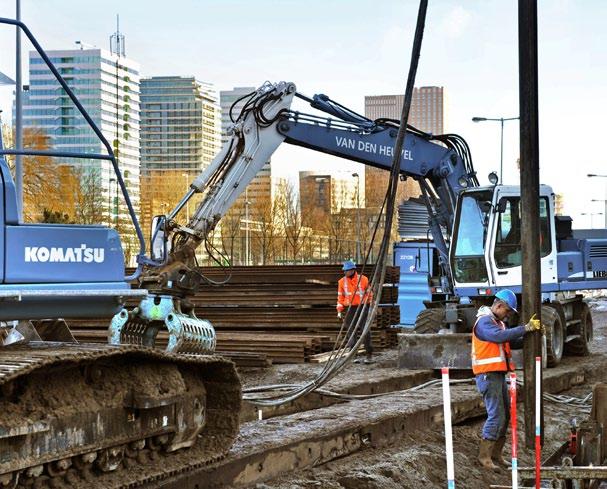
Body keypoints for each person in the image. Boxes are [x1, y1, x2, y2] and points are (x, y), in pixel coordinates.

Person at [472, 289, 542, 472]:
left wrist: (529, 336)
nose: (508, 315)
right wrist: (524, 328)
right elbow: (497, 337)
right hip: (488, 375)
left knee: (505, 416)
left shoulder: (497, 324)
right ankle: (484, 457)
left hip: (497, 375)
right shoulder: (484, 322)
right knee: (496, 415)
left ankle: (496, 455)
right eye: (508, 311)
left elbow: (507, 342)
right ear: (499, 305)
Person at [336, 260, 374, 363]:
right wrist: (339, 311)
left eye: (346, 270)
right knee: (351, 332)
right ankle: (354, 355)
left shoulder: (363, 279)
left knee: (365, 331)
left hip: (362, 308)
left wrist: (369, 306)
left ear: (353, 270)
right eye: (344, 271)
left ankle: (368, 354)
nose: (345, 272)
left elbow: (370, 294)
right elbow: (340, 297)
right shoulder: (341, 282)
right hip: (350, 309)